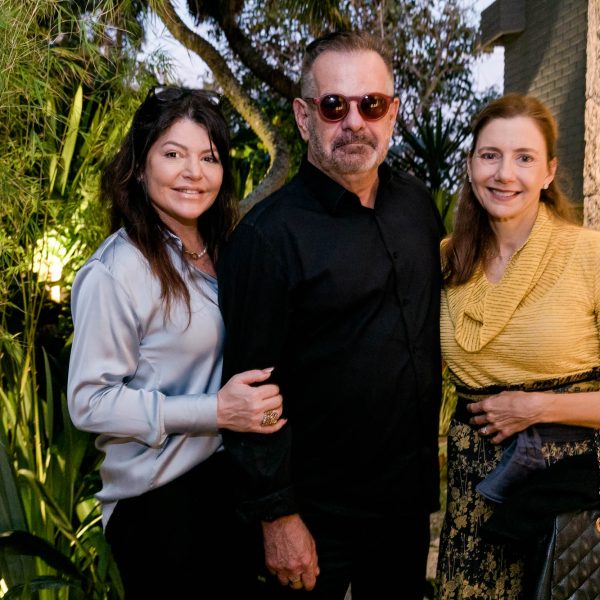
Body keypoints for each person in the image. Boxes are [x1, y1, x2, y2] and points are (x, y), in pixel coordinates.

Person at [217, 31, 444, 599]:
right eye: (333, 105)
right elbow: (250, 395)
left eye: (371, 104)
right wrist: (278, 518)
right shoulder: (268, 239)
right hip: (314, 516)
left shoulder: (417, 206)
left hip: (406, 505)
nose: (354, 122)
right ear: (302, 116)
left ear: (393, 111)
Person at [67, 87, 285, 598]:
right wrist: (215, 411)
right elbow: (88, 402)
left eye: (208, 157)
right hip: (157, 504)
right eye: (173, 154)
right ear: (140, 169)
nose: (194, 172)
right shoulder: (117, 270)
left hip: (224, 486)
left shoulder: (224, 250)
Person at [436, 93, 600, 598]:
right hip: (473, 503)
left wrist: (537, 407)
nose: (505, 173)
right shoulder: (447, 259)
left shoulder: (588, 255)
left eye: (524, 158)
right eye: (490, 155)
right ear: (470, 165)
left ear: (549, 172)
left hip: (568, 500)